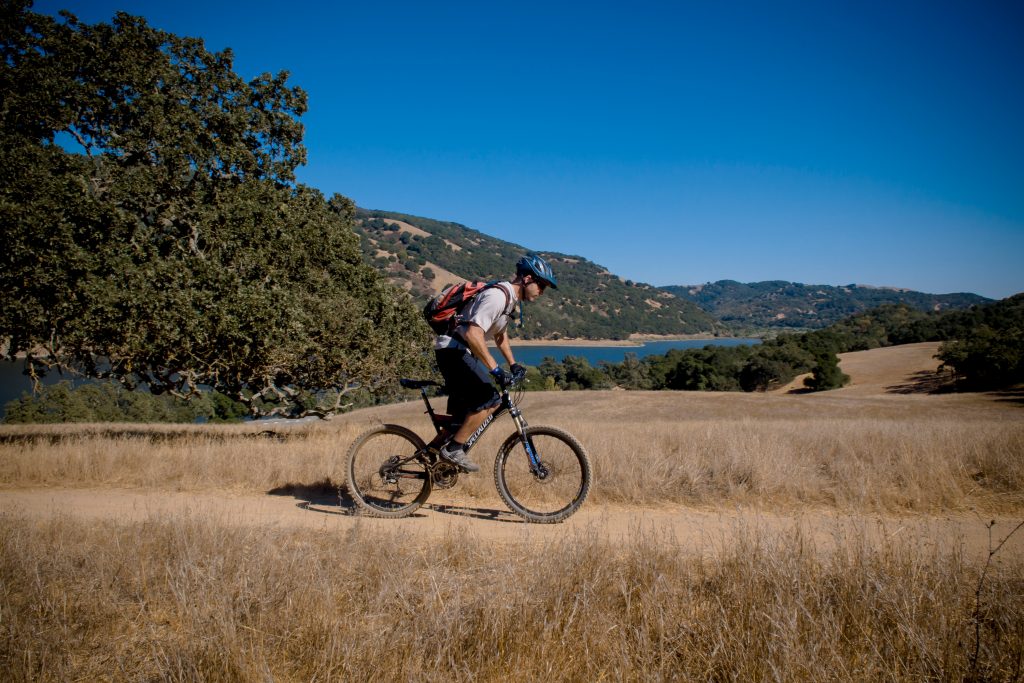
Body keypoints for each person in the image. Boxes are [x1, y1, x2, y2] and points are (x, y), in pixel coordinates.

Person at [433, 253, 558, 472]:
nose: (542, 292)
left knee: (463, 416)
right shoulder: (497, 297)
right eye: (541, 285)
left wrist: (513, 364)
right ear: (527, 278)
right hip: (453, 351)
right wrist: (496, 369)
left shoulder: (509, 301)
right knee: (490, 400)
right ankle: (453, 450)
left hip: (459, 352)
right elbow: (473, 334)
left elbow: (500, 336)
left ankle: (432, 458)